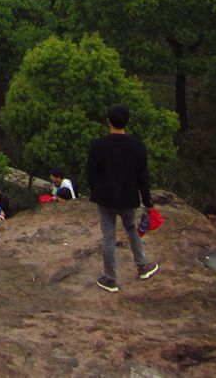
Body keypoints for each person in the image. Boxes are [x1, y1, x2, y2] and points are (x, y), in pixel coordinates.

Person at [86, 103, 158, 292]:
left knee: (108, 236)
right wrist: (148, 202)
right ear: (127, 121)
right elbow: (143, 178)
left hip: (105, 197)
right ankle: (142, 266)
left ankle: (110, 279)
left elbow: (91, 174)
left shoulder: (98, 145)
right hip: (128, 197)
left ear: (107, 121)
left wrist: (96, 190)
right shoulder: (138, 147)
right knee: (131, 229)